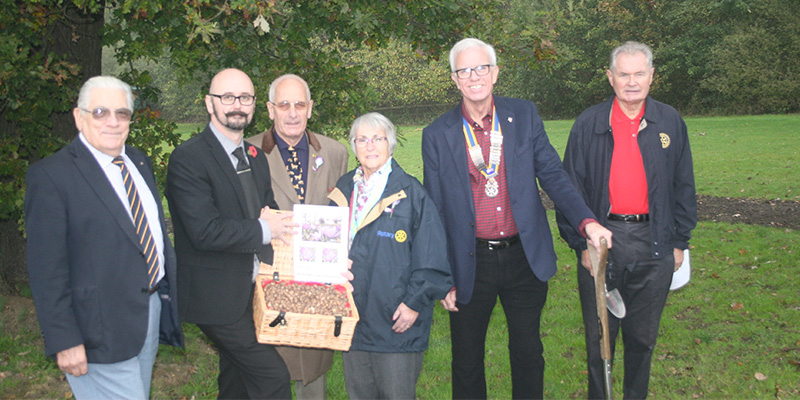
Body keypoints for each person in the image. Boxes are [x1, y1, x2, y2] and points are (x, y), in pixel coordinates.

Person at [421, 38, 613, 399]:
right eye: (465, 70)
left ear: (495, 72)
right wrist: (440, 275)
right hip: (468, 262)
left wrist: (588, 222)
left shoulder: (523, 116)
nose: (474, 76)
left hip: (523, 257)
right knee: (466, 361)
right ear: (454, 79)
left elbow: (554, 175)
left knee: (528, 354)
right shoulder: (437, 134)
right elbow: (435, 210)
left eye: (481, 68)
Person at [25, 76, 183, 399]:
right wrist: (64, 339)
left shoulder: (138, 162)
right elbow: (46, 271)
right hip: (96, 330)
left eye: (122, 113)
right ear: (78, 117)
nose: (112, 121)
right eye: (100, 112)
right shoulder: (51, 177)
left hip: (146, 315)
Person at [556, 41, 697, 399]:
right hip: (602, 242)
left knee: (642, 339)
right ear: (610, 77)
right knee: (599, 339)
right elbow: (569, 190)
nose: (631, 82)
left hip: (655, 242)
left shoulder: (669, 121)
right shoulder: (589, 124)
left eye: (639, 74)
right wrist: (581, 245)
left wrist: (679, 242)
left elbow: (684, 185)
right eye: (623, 74)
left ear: (651, 76)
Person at [166, 68, 296, 399]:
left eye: (245, 98)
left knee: (236, 380)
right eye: (227, 97)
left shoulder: (256, 157)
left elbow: (270, 210)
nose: (237, 105)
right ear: (210, 104)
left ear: (254, 105)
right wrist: (266, 227)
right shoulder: (189, 158)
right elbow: (203, 231)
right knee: (274, 377)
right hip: (215, 298)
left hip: (252, 291)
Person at [327, 112, 453, 400]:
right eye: (362, 139)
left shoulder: (411, 193)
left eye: (378, 139)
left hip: (396, 322)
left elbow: (432, 256)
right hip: (353, 318)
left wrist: (413, 302)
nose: (370, 146)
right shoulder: (342, 189)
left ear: (391, 144)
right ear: (353, 146)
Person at [245, 74, 348, 399]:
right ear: (270, 109)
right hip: (269, 279)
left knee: (312, 375)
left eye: (299, 104)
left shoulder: (334, 153)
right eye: (284, 105)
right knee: (268, 375)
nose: (292, 113)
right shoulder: (247, 153)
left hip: (319, 283)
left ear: (310, 108)